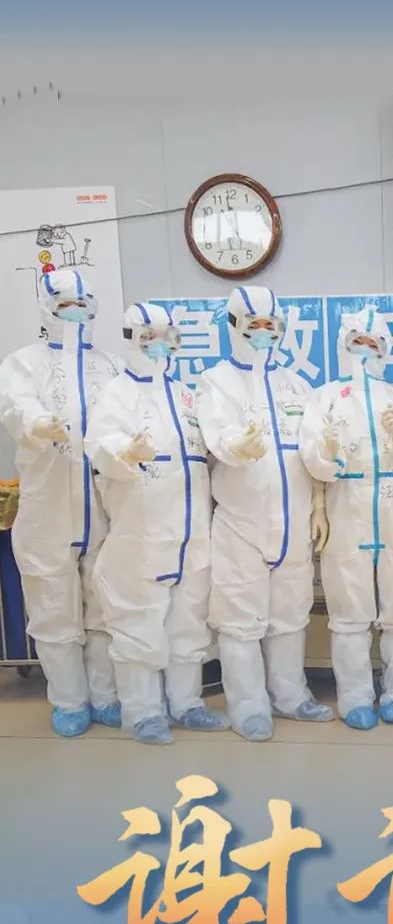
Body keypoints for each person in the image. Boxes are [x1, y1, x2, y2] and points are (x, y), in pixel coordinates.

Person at [195, 285, 332, 741]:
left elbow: (313, 452)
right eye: (253, 324)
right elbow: (217, 436)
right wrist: (238, 446)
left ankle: (290, 695)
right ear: (233, 326)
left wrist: (318, 503)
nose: (262, 331)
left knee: (290, 615)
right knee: (240, 621)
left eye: (270, 324)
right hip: (241, 524)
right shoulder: (216, 381)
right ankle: (249, 706)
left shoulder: (297, 386)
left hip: (293, 523)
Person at [85, 302, 226, 744]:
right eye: (148, 337)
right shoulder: (117, 393)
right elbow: (99, 444)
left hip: (191, 532)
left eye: (165, 337)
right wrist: (125, 452)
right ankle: (143, 712)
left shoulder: (184, 395)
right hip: (141, 533)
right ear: (130, 339)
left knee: (188, 622)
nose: (158, 345)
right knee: (138, 622)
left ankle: (186, 703)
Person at [0, 268, 120, 736]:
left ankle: (106, 696)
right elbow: (15, 406)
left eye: (82, 303)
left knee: (104, 606)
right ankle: (70, 701)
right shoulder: (23, 363)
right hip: (49, 508)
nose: (76, 312)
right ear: (46, 307)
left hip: (104, 508)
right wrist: (37, 423)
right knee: (53, 608)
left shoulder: (109, 366)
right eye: (66, 304)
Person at [301, 307, 393, 729]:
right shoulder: (324, 397)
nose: (366, 350)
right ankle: (354, 697)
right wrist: (328, 452)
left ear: (386, 350)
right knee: (348, 607)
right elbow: (311, 458)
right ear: (343, 345)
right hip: (346, 501)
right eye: (358, 342)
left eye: (374, 344)